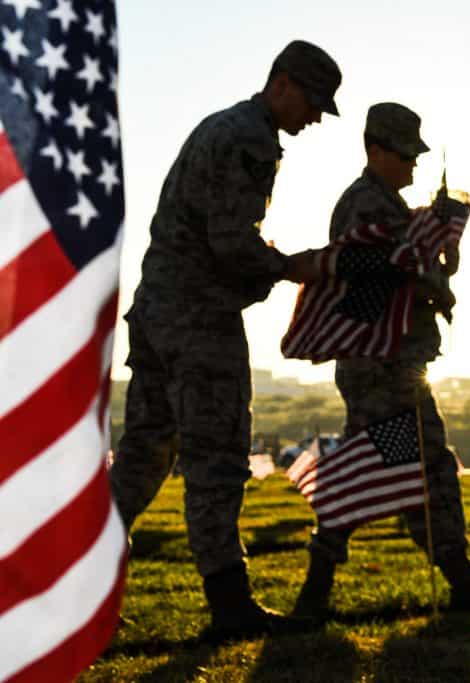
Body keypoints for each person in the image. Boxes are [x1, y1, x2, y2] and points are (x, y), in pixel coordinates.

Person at [109, 40, 342, 636]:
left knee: (143, 454)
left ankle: (74, 573)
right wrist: (297, 266)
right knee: (216, 457)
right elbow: (230, 242)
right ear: (283, 84)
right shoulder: (251, 139)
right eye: (314, 101)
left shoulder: (223, 125)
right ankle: (229, 603)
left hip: (158, 312)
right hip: (198, 321)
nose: (315, 117)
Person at [292, 102, 470, 617]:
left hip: (395, 362)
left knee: (409, 468)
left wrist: (438, 260)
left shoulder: (391, 206)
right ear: (375, 150)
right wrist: (428, 273)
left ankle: (455, 579)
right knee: (406, 465)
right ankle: (457, 580)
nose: (414, 164)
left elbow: (407, 265)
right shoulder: (365, 204)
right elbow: (373, 271)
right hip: (377, 365)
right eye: (405, 154)